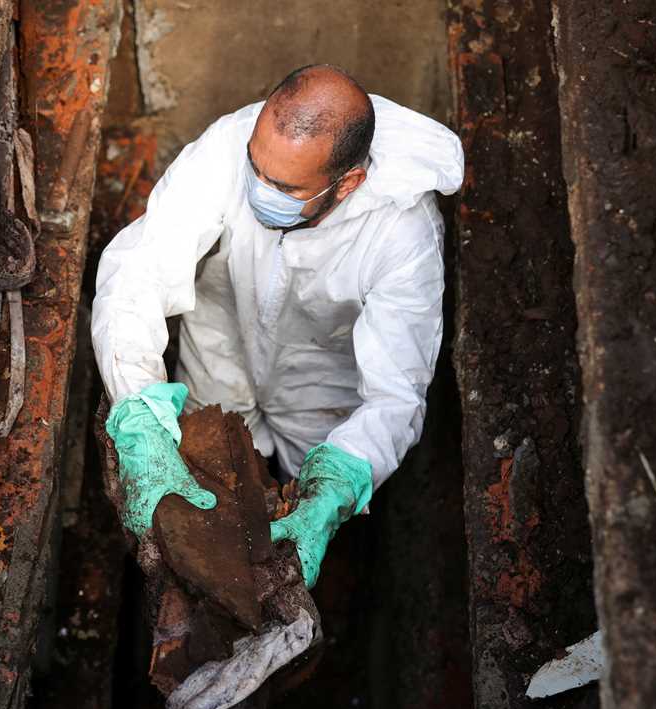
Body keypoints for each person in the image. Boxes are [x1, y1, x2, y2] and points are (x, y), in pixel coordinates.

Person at [92, 65, 463, 587]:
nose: (260, 189)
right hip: (221, 350)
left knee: (308, 505)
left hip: (321, 391)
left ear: (348, 182)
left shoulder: (402, 235)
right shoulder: (228, 144)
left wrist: (335, 485)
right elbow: (138, 272)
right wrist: (139, 417)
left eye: (284, 187)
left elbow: (396, 394)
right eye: (256, 170)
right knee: (200, 489)